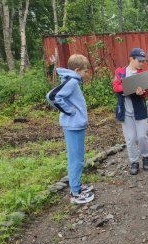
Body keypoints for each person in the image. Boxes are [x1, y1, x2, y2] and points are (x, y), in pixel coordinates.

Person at [50, 54, 94, 204]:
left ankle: (77, 186)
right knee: (76, 160)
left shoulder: (71, 80)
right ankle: (75, 193)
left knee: (77, 158)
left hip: (75, 125)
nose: (86, 73)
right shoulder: (72, 81)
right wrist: (70, 111)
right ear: (77, 69)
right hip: (73, 126)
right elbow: (52, 96)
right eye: (85, 70)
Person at [112, 48, 148, 175]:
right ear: (131, 59)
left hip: (139, 109)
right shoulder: (120, 72)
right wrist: (130, 88)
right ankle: (134, 161)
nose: (142, 63)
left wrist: (142, 92)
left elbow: (147, 92)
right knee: (130, 139)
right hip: (125, 111)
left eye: (143, 61)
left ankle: (145, 157)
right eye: (139, 61)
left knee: (142, 136)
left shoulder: (143, 73)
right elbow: (116, 86)